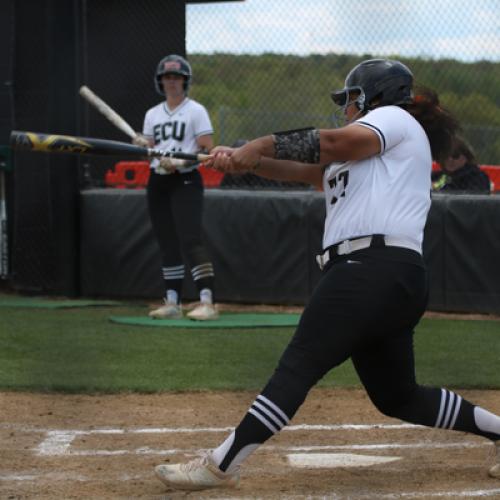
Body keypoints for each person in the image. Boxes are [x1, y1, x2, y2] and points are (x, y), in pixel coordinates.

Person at [153, 59, 500, 490]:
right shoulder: (367, 155)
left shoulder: (394, 119)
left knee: (298, 365)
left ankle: (221, 463)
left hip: (370, 268)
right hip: (390, 278)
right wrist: (247, 160)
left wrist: (261, 142)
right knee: (398, 397)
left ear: (375, 97)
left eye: (352, 99)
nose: (346, 108)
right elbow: (306, 170)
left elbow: (333, 142)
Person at [132, 54, 218, 321]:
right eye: (167, 77)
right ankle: (172, 302)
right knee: (166, 242)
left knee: (190, 239)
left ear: (185, 81)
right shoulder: (152, 114)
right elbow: (148, 151)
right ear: (161, 82)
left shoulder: (196, 110)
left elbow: (207, 149)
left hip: (186, 180)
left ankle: (207, 302)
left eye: (177, 77)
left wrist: (179, 161)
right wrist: (142, 146)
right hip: (158, 181)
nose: (172, 82)